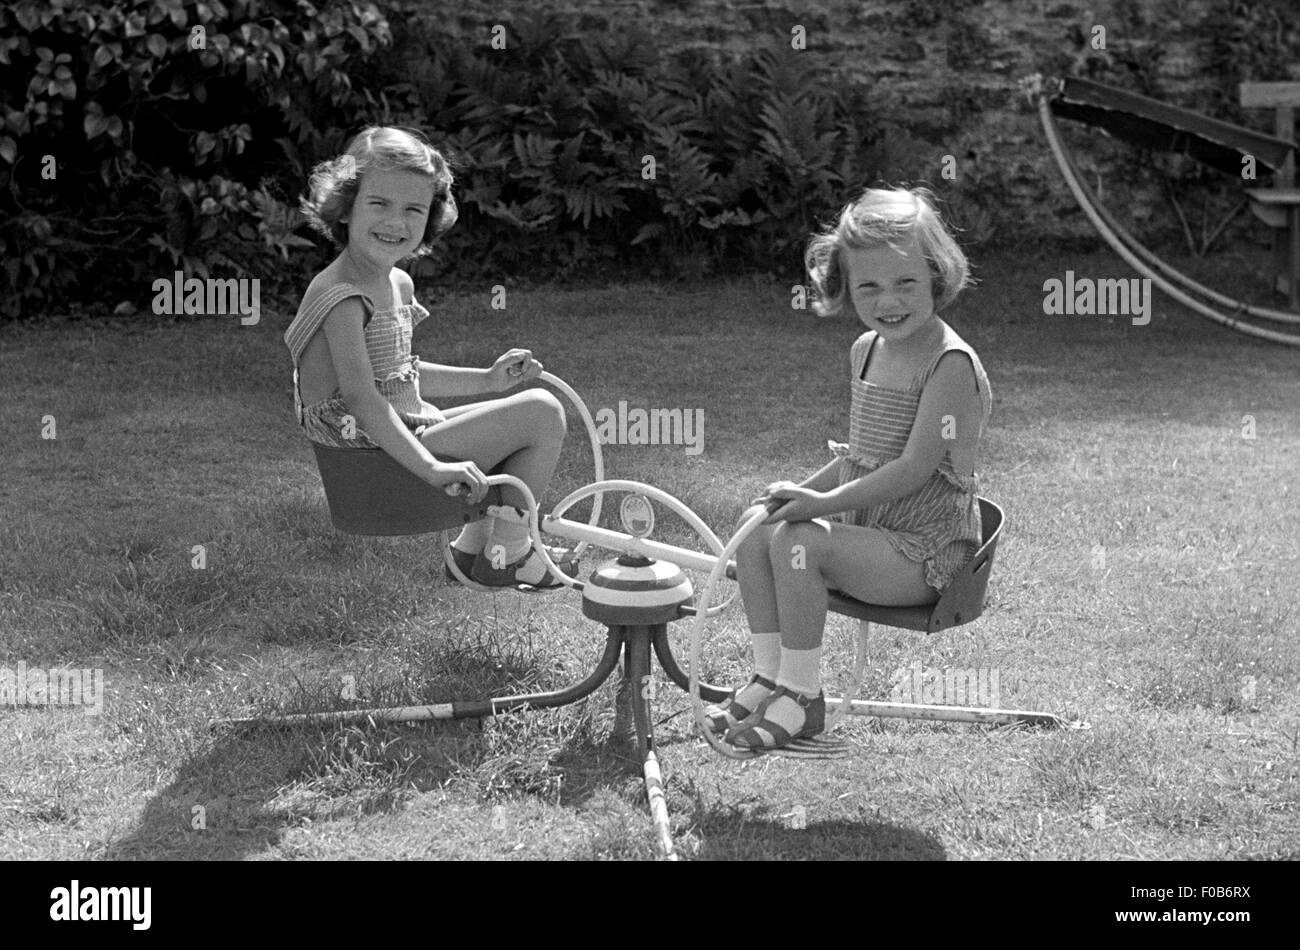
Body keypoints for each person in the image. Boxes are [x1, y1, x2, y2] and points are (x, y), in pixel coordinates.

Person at [707, 186, 993, 750]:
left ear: (937, 274)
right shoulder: (868, 348)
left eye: (905, 282)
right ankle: (769, 677)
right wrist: (797, 493)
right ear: (845, 287)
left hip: (926, 553)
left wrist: (816, 509)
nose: (889, 299)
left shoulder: (950, 364)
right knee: (758, 526)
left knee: (802, 540)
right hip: (873, 535)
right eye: (869, 286)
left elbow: (911, 470)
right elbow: (860, 457)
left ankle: (803, 697)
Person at [284, 126, 575, 588]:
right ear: (346, 206)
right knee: (541, 413)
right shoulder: (340, 296)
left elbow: (398, 377)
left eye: (413, 209)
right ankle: (512, 553)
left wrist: (487, 380)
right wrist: (434, 468)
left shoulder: (397, 283)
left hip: (392, 443)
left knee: (520, 409)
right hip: (369, 467)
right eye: (379, 204)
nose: (395, 222)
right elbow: (362, 398)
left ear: (431, 217)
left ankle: (476, 550)